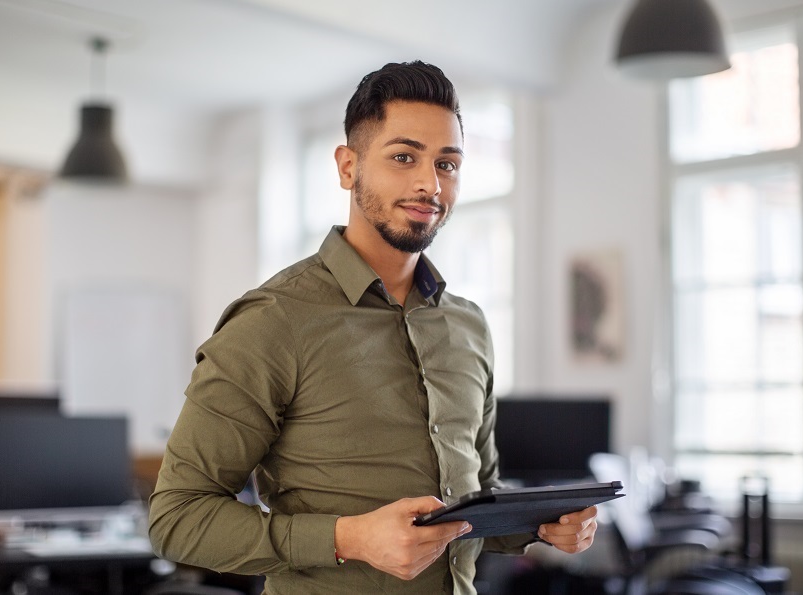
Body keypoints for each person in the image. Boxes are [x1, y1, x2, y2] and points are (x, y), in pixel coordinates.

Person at [149, 60, 598, 594]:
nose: (429, 184)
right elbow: (175, 520)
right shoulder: (273, 321)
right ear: (347, 167)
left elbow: (474, 499)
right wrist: (349, 538)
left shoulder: (470, 327)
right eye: (403, 157)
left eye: (447, 164)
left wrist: (542, 525)